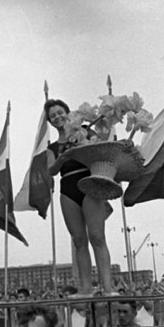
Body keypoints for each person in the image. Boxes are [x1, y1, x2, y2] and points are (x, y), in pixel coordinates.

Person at [45, 99, 113, 295]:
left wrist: (83, 141)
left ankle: (108, 287)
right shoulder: (53, 147)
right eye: (53, 116)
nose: (58, 117)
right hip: (67, 188)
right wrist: (63, 157)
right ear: (50, 122)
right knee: (78, 240)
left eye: (60, 112)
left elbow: (102, 148)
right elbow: (51, 170)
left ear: (68, 112)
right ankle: (85, 288)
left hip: (89, 184)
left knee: (97, 236)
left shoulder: (86, 130)